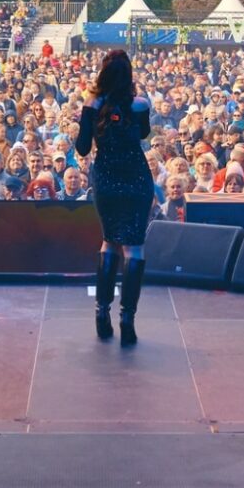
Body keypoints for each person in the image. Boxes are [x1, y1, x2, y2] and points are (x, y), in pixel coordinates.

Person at [75, 50, 152, 345]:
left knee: (109, 242)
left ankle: (101, 313)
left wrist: (88, 116)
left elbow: (82, 148)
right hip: (136, 178)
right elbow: (143, 135)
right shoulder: (140, 104)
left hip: (106, 179)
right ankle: (127, 318)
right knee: (135, 248)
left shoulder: (93, 104)